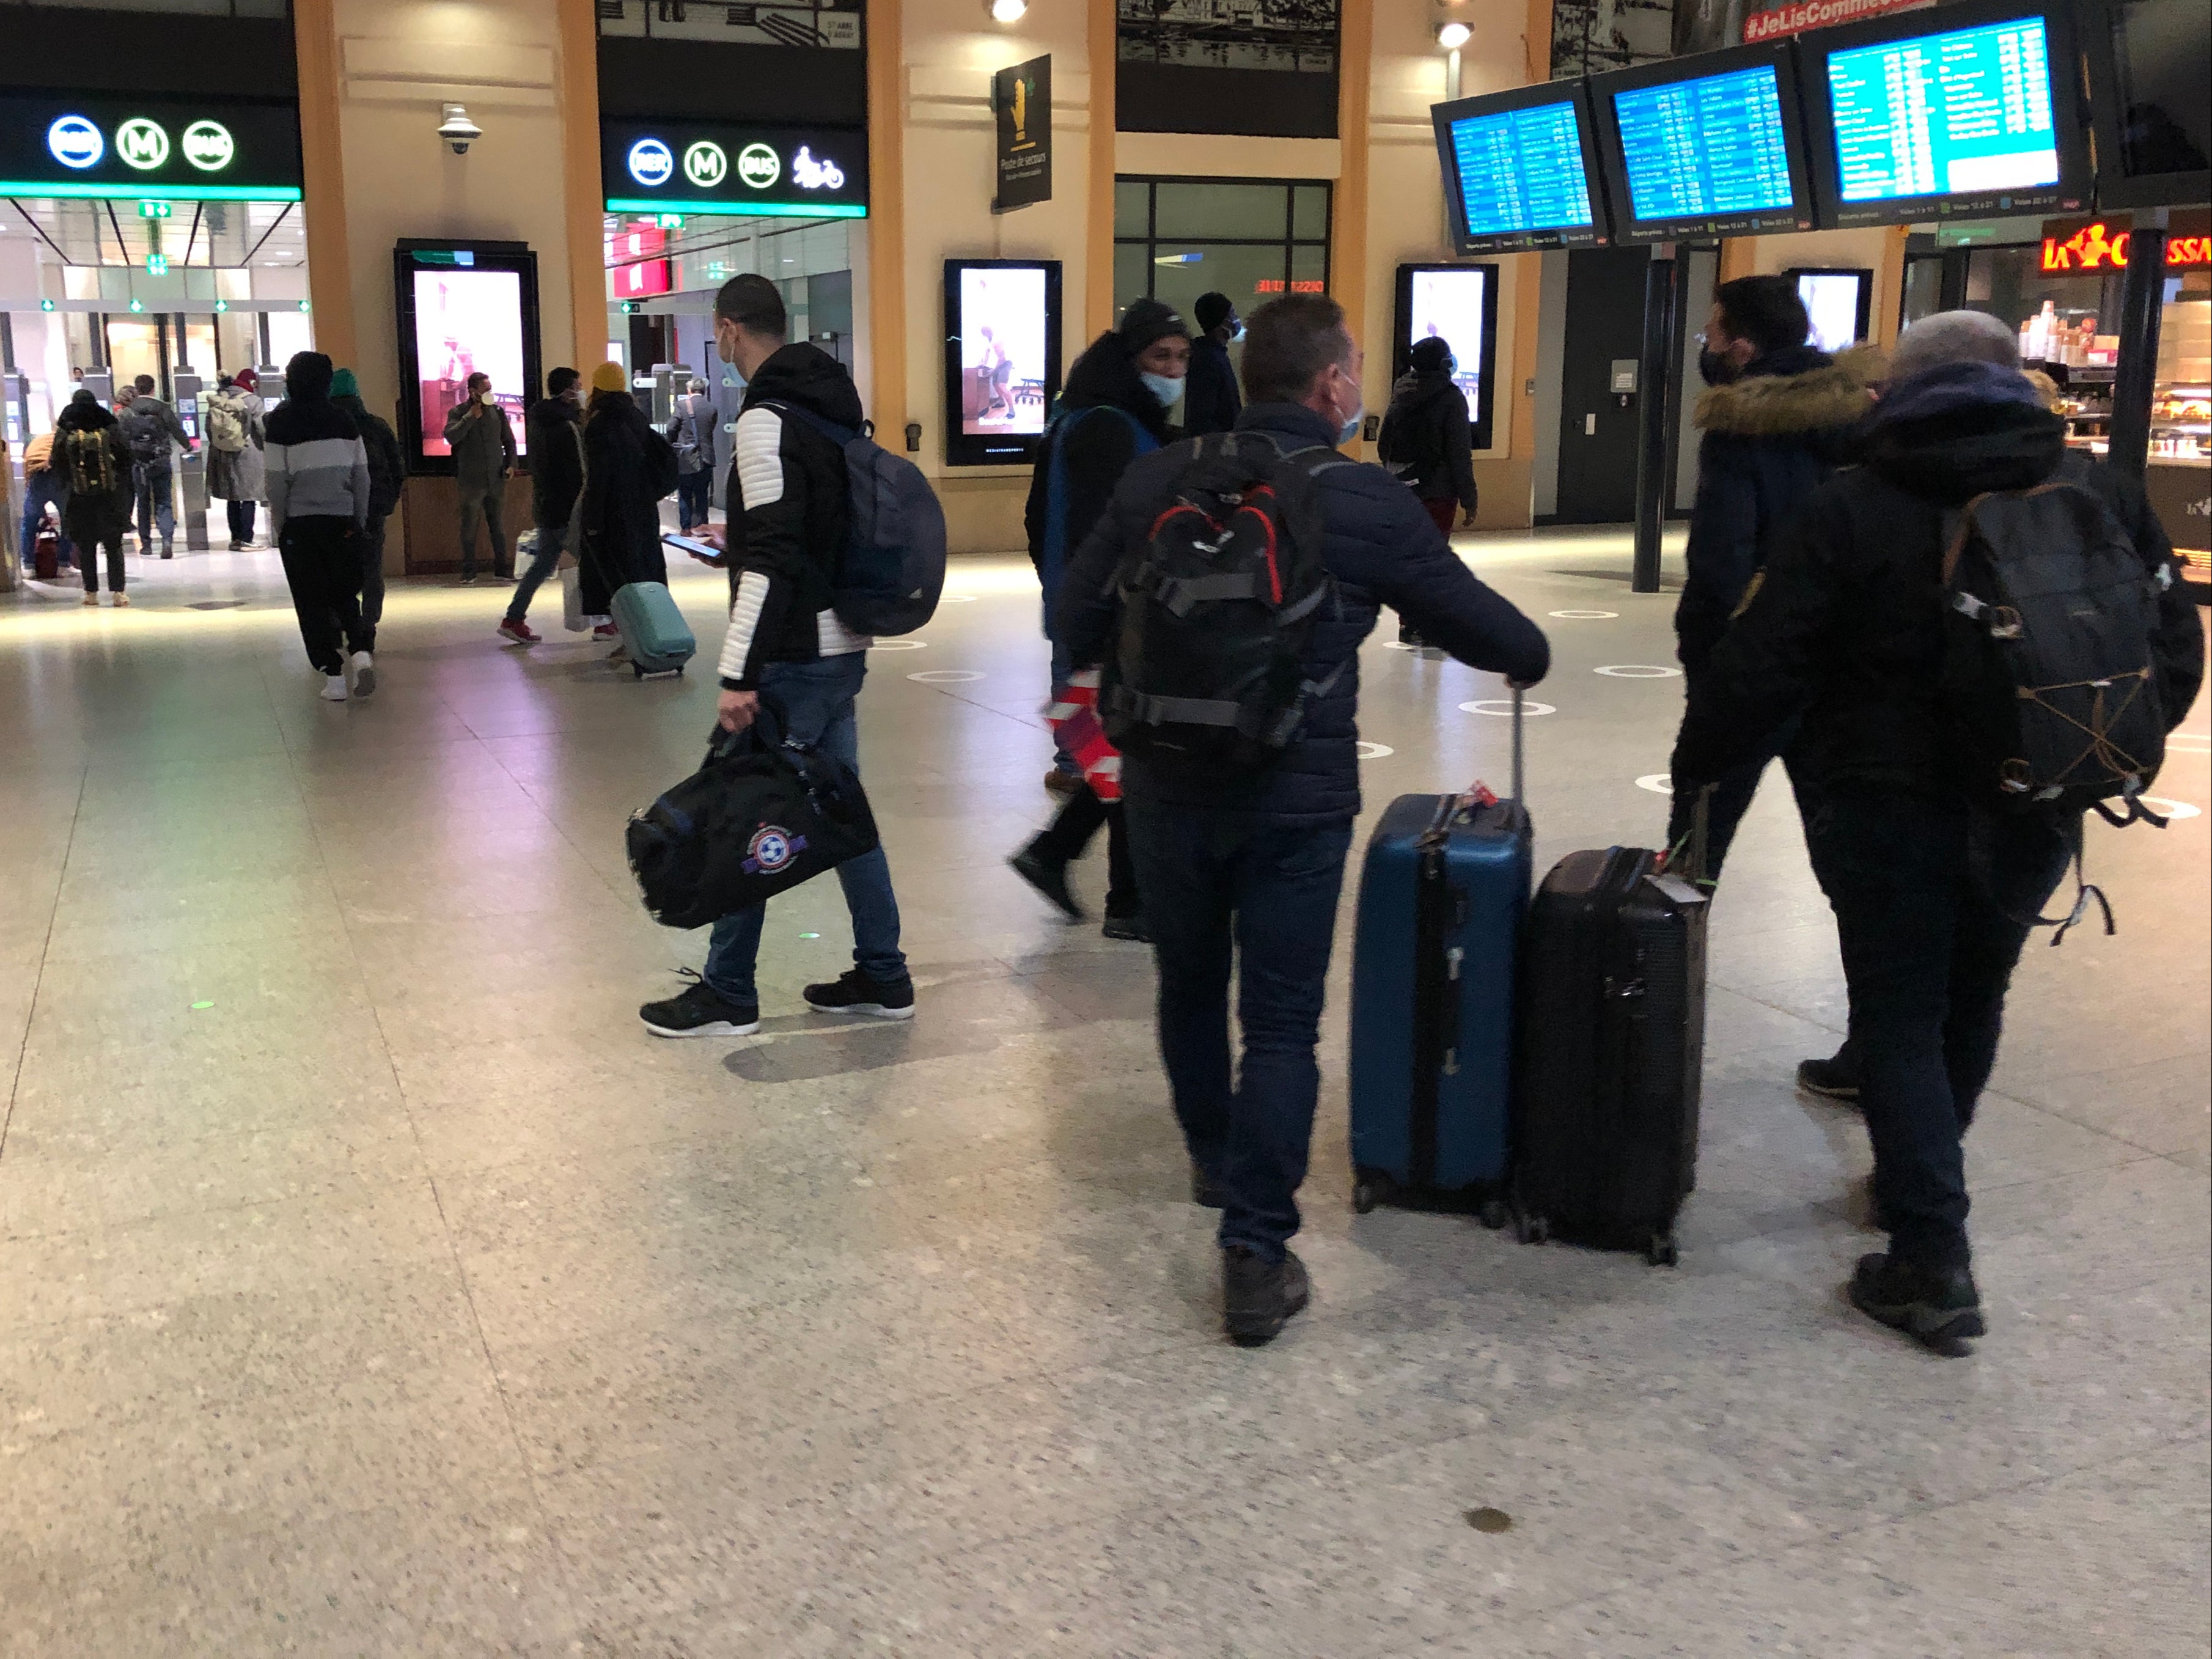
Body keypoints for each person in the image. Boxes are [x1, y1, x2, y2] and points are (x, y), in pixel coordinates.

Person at [1670, 311, 2203, 1355]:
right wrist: (2082, 758)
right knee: (1974, 988)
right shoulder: (2093, 490)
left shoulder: (1856, 503)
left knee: (1899, 1012)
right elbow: (2169, 651)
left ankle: (1927, 1254)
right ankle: (1920, 1179)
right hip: (2033, 797)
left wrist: (1703, 766)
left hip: (1885, 804)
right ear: (2015, 380)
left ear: (1893, 395)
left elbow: (1761, 663)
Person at [1056, 293, 1551, 1344]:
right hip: (1294, 797)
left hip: (1163, 785)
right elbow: (1492, 632)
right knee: (1278, 1020)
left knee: (1188, 981)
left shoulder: (1156, 475)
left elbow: (1071, 608)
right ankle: (1253, 1251)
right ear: (1328, 385)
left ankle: (1209, 1154)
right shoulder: (1357, 499)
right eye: (1355, 369)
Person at [638, 274, 913, 1038]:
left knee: (741, 811)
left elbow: (777, 562)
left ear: (729, 330)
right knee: (840, 809)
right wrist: (742, 541)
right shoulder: (829, 404)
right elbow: (800, 531)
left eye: (719, 337)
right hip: (841, 642)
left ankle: (728, 991)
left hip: (794, 654)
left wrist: (738, 672)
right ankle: (884, 974)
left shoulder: (765, 418)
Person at [1667, 274, 1875, 881]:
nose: (1706, 336)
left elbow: (1721, 557)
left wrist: (1705, 652)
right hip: (1843, 651)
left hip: (1755, 653)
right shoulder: (1862, 416)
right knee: (1843, 839)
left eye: (1714, 326)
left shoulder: (1741, 425)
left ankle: (1672, 954)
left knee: (1702, 822)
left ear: (1741, 346)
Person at [1010, 299, 1190, 938]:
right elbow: (1115, 530)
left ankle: (1056, 854)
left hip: (1091, 608)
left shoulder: (1081, 417)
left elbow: (1038, 520)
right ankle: (1128, 899)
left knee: (1122, 747)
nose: (1171, 369)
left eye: (1179, 356)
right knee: (1136, 751)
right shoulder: (1111, 427)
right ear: (1129, 359)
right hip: (1113, 614)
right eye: (1158, 356)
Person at [265, 351, 374, 701]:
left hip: (301, 525)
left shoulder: (280, 424)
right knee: (345, 593)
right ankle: (360, 652)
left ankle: (333, 677)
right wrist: (357, 519)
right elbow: (362, 477)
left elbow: (276, 482)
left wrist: (281, 526)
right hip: (342, 520)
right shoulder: (345, 421)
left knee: (311, 601)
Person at [573, 361, 676, 652]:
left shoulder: (599, 423)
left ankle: (630, 634)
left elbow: (599, 476)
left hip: (613, 512)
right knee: (641, 570)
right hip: (642, 508)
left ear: (597, 389)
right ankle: (646, 632)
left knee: (615, 576)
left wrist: (592, 519)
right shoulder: (636, 416)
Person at [501, 366, 587, 645]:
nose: (581, 389)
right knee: (596, 562)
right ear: (567, 391)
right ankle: (605, 622)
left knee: (543, 564)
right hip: (567, 508)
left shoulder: (539, 422)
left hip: (546, 503)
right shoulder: (567, 427)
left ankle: (514, 618)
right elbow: (579, 470)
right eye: (577, 385)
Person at [1377, 336, 1479, 540]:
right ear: (1445, 364)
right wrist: (1469, 499)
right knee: (1433, 553)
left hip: (1400, 488)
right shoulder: (1452, 398)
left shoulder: (1401, 392)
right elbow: (1459, 453)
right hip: (1438, 492)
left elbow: (1384, 446)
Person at [328, 369, 404, 635]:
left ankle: (340, 620)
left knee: (337, 565)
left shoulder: (326, 428)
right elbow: (397, 466)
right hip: (374, 506)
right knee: (372, 565)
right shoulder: (376, 425)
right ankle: (369, 620)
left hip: (335, 509)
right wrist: (389, 500)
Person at [53, 389, 133, 607]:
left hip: (79, 497)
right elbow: (126, 455)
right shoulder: (107, 422)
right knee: (113, 545)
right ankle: (118, 593)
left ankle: (91, 594)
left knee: (86, 545)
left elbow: (57, 461)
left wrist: (67, 488)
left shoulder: (66, 424)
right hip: (109, 495)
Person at [443, 369, 516, 583]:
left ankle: (502, 570)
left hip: (496, 479)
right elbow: (451, 436)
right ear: (473, 391)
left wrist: (511, 464)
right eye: (485, 390)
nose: (489, 393)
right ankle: (468, 572)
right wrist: (470, 417)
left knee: (498, 526)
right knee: (469, 527)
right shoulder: (458, 412)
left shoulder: (498, 413)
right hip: (471, 481)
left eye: (491, 389)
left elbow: (509, 441)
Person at [118, 373, 193, 559]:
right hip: (161, 460)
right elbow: (177, 430)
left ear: (137, 389)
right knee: (164, 501)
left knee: (143, 503)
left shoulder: (127, 412)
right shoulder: (163, 408)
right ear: (153, 389)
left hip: (139, 464)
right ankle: (167, 541)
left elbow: (121, 439)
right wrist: (188, 446)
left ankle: (146, 545)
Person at [205, 368, 267, 550]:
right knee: (249, 496)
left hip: (223, 453)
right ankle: (247, 539)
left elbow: (209, 428)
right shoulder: (253, 401)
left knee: (233, 497)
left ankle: (235, 539)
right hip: (249, 453)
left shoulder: (220, 399)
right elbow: (262, 428)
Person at [1183, 292, 1244, 438]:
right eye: (1232, 315)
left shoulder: (1213, 355)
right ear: (1221, 322)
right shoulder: (1209, 361)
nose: (1236, 320)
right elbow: (1202, 418)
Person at [18, 428, 75, 573]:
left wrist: (28, 486)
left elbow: (27, 465)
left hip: (37, 476)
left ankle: (28, 566)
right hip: (59, 477)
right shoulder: (68, 439)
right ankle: (63, 564)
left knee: (29, 522)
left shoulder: (39, 441)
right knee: (68, 521)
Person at [671, 377, 718, 533]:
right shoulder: (711, 408)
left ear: (689, 391)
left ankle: (686, 528)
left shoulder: (682, 406)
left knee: (685, 492)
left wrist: (672, 443)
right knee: (702, 493)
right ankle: (701, 526)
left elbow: (672, 428)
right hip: (706, 457)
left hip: (687, 457)